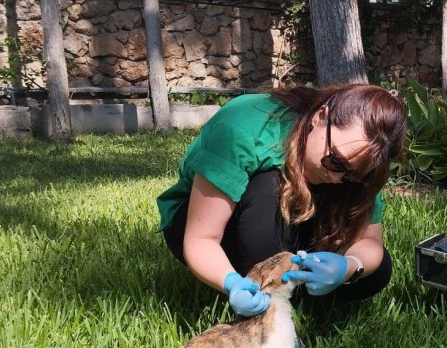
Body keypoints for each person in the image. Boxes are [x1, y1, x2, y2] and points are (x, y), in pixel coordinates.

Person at [157, 84, 407, 317]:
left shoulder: (362, 162)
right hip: (209, 229)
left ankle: (292, 295)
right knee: (269, 186)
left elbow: (370, 243)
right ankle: (263, 299)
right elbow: (201, 239)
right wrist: (231, 284)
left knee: (376, 272)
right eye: (335, 161)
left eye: (353, 175)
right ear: (321, 116)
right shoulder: (244, 125)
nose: (335, 177)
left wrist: (348, 267)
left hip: (291, 230)